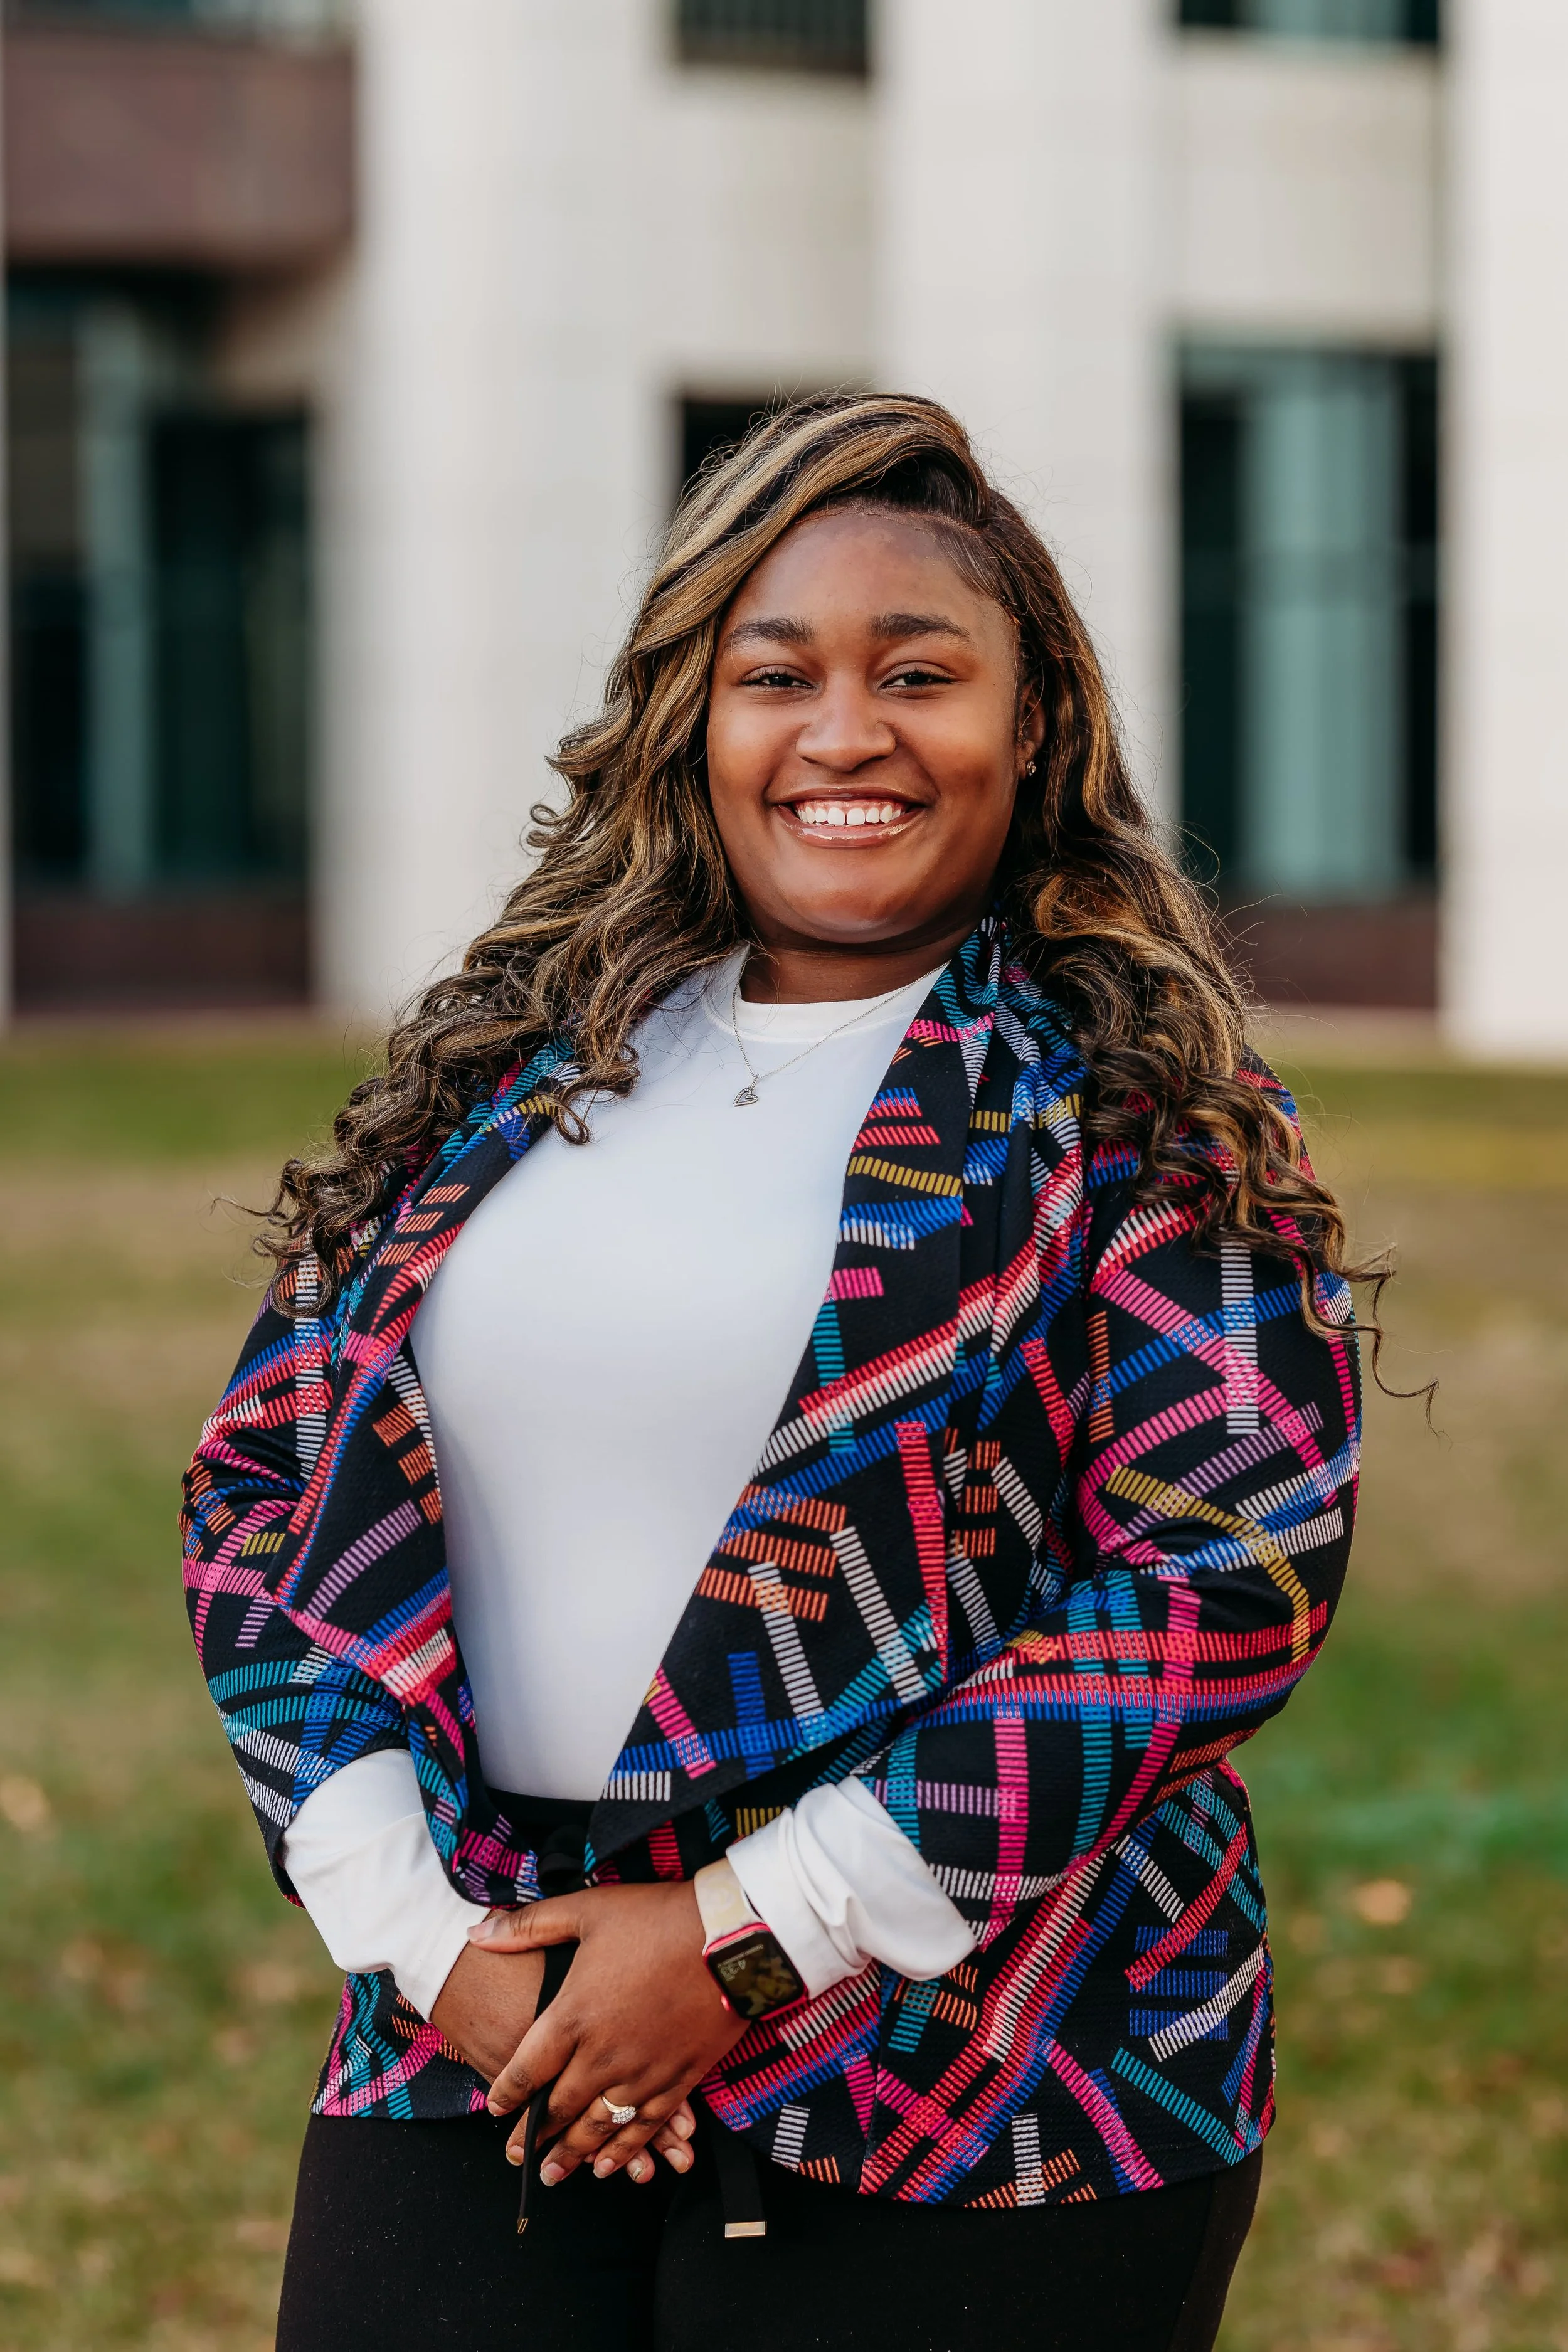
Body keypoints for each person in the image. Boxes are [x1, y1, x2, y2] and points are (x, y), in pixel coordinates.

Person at [182, 394, 1362, 2352]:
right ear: (689, 718)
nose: (844, 732)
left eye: (921, 671)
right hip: (488, 2016)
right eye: (775, 673)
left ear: (1033, 721)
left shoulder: (1130, 1100)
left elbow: (1216, 1576)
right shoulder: (523, 1069)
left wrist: (746, 1936)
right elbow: (265, 1502)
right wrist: (421, 1932)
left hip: (993, 2061)